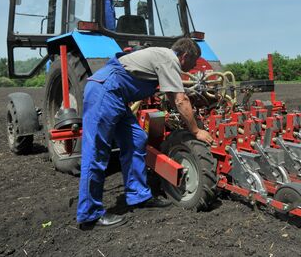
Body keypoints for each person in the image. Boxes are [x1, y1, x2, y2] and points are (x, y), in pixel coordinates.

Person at [76, 38, 214, 229]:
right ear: (185, 56)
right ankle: (89, 214)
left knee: (136, 139)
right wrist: (196, 130)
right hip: (105, 92)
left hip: (117, 96)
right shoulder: (169, 59)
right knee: (96, 153)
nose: (192, 68)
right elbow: (180, 100)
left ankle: (138, 195)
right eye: (193, 62)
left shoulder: (164, 57)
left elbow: (172, 97)